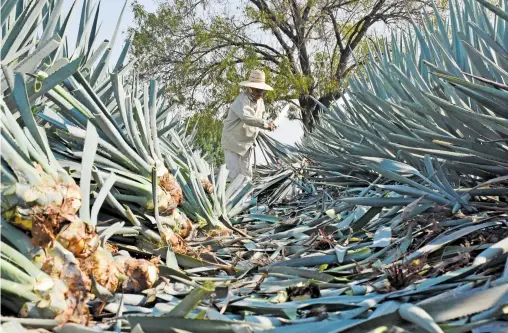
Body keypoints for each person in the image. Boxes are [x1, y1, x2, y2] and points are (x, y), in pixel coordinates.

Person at [221, 69, 276, 181]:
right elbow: (247, 118)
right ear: (250, 88)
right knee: (234, 175)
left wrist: (267, 127)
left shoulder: (260, 102)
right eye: (257, 90)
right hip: (233, 143)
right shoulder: (242, 100)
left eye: (262, 91)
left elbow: (258, 120)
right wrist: (266, 125)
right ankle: (234, 198)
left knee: (247, 176)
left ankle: (246, 198)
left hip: (246, 144)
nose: (260, 94)